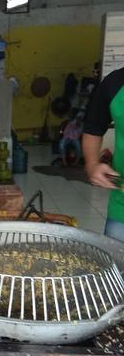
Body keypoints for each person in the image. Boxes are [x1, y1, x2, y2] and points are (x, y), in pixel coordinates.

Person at [82, 66, 124, 242]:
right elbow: (93, 128)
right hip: (122, 208)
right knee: (117, 267)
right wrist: (92, 165)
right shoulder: (115, 83)